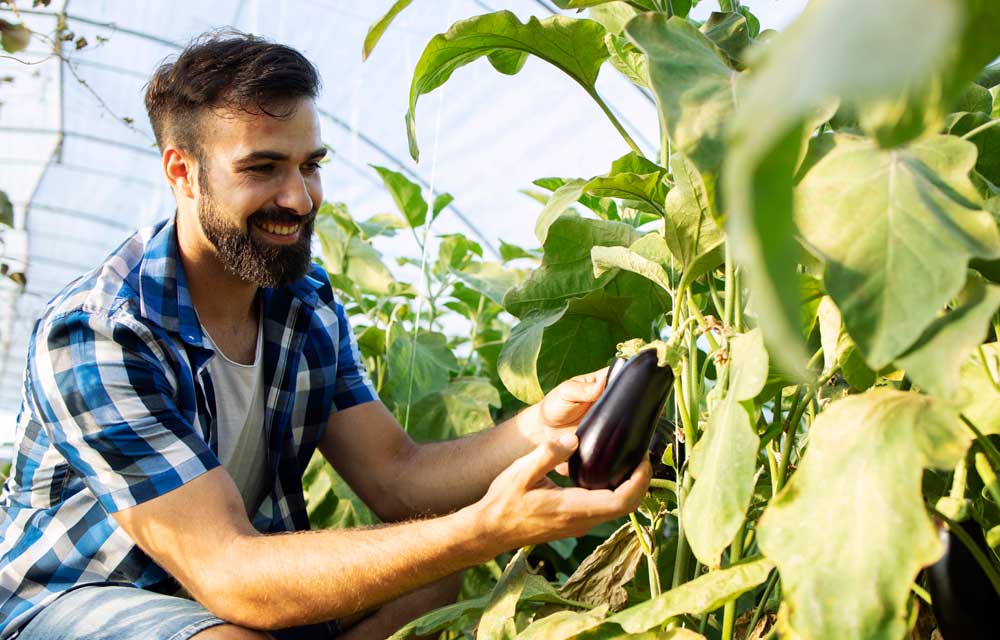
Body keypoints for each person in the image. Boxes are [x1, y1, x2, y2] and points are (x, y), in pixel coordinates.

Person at [0, 31, 651, 640]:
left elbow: (397, 476)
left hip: (223, 590)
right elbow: (227, 570)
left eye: (310, 164)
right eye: (262, 169)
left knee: (431, 572)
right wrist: (479, 530)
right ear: (182, 172)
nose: (300, 197)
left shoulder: (303, 304)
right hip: (71, 598)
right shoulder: (101, 333)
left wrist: (540, 427)